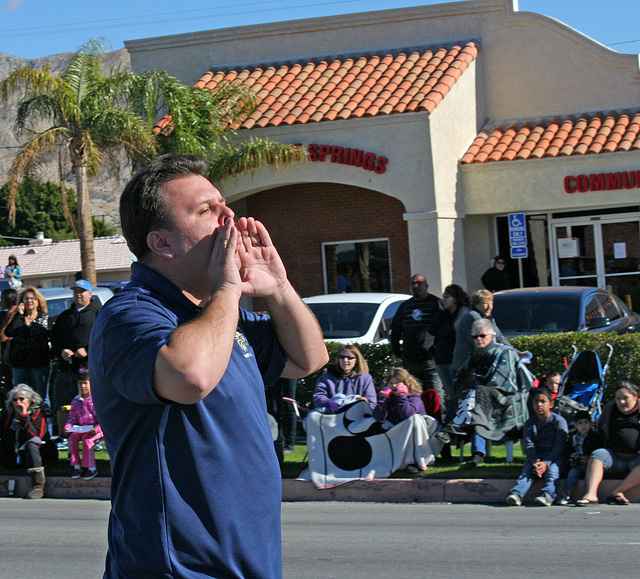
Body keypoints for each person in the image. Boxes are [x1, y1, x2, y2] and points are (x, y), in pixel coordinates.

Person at [89, 153, 327, 578]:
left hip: (251, 562)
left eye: (222, 203)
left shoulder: (217, 314)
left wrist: (279, 288)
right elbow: (190, 377)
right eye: (206, 210)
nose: (228, 217)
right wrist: (228, 289)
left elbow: (308, 358)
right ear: (161, 243)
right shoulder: (130, 316)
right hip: (177, 567)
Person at [449, 318, 533, 468]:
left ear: (492, 336)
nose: (478, 340)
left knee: (476, 402)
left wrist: (476, 384)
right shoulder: (474, 354)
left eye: (482, 336)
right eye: (475, 337)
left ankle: (475, 452)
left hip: (505, 397)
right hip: (478, 397)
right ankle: (449, 439)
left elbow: (503, 381)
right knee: (467, 400)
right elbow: (461, 377)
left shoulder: (505, 353)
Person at [577, 382, 640, 506]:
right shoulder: (610, 408)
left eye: (625, 398)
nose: (621, 402)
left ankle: (618, 491)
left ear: (635, 396)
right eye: (618, 398)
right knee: (597, 455)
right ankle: (591, 494)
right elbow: (600, 431)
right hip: (613, 456)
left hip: (636, 458)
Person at [390, 274, 446, 412]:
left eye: (419, 283)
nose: (416, 286)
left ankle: (439, 423)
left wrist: (437, 351)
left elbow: (444, 330)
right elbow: (395, 331)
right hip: (410, 361)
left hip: (430, 361)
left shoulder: (435, 304)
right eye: (413, 283)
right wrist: (398, 352)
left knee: (436, 395)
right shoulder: (405, 306)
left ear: (426, 286)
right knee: (414, 396)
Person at [506, 387, 568, 506]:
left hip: (555, 457)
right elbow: (529, 445)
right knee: (527, 472)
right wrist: (534, 461)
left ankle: (548, 495)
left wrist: (546, 463)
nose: (539, 404)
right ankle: (516, 494)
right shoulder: (530, 423)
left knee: (553, 472)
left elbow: (559, 447)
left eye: (543, 401)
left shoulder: (559, 422)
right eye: (536, 401)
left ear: (551, 404)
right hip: (537, 457)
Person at [51, 279, 101, 412]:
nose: (78, 294)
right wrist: (61, 351)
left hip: (91, 370)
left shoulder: (99, 313)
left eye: (82, 291)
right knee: (64, 406)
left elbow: (106, 339)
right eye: (75, 291)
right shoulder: (65, 316)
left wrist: (87, 350)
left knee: (91, 408)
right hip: (68, 370)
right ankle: (66, 431)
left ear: (90, 294)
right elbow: (55, 339)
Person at [0, 384, 52, 498]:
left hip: (38, 454)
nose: (18, 402)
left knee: (31, 444)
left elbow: (36, 435)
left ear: (29, 400)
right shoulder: (9, 413)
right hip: (12, 454)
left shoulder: (38, 413)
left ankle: (38, 486)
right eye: (15, 400)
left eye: (21, 399)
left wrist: (24, 416)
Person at [4, 286, 51, 404]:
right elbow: (8, 332)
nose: (29, 301)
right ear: (21, 301)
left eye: (33, 298)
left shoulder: (45, 319)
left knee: (41, 397)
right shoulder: (18, 319)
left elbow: (50, 338)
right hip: (20, 364)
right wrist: (19, 315)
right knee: (19, 396)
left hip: (40, 364)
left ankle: (44, 422)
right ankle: (20, 421)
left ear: (38, 301)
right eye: (26, 299)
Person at [429, 284, 470, 417]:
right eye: (443, 297)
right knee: (451, 393)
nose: (444, 300)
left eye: (447, 297)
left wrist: (442, 329)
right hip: (441, 360)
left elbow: (454, 329)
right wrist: (440, 312)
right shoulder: (443, 313)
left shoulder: (463, 312)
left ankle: (457, 421)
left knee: (458, 394)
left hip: (455, 361)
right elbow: (432, 330)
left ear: (455, 299)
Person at [451, 289, 513, 373]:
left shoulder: (489, 318)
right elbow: (485, 344)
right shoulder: (473, 317)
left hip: (478, 368)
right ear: (476, 305)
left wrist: (515, 353)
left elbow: (500, 338)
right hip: (465, 370)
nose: (489, 307)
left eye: (491, 303)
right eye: (485, 303)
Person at [62, 370, 102, 480]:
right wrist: (67, 427)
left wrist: (97, 428)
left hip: (97, 429)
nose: (83, 386)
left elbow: (103, 419)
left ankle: (91, 468)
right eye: (80, 383)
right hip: (83, 428)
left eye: (85, 383)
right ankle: (76, 466)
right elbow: (72, 418)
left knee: (87, 439)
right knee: (72, 438)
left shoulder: (97, 399)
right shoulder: (76, 401)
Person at [313, 345, 376, 411]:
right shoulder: (327, 376)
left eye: (350, 357)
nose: (345, 360)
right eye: (342, 357)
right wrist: (326, 402)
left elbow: (372, 403)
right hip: (331, 414)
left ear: (356, 360)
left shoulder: (365, 378)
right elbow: (318, 396)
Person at [558, 410, 599, 505]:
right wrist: (572, 454)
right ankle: (568, 495)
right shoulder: (573, 436)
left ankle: (588, 494)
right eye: (580, 423)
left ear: (591, 423)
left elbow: (597, 448)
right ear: (575, 425)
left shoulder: (594, 437)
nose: (583, 426)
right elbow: (567, 448)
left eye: (586, 423)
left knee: (588, 477)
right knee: (571, 476)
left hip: (589, 463)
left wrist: (588, 456)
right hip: (577, 464)